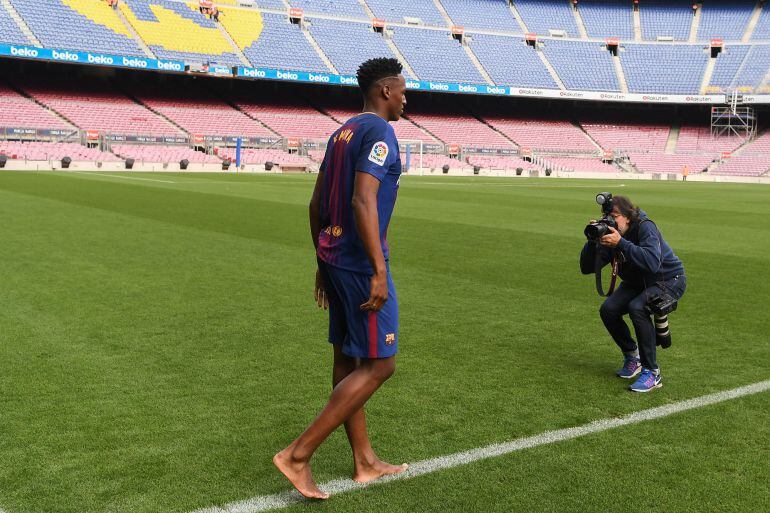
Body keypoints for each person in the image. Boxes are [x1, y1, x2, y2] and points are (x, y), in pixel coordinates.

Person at [273, 57, 408, 499]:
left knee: (347, 360)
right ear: (385, 91)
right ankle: (297, 455)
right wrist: (379, 270)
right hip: (357, 263)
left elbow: (316, 206)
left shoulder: (340, 132)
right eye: (403, 90)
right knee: (380, 364)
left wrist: (320, 261)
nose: (406, 98)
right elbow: (362, 200)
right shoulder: (380, 132)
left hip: (333, 256)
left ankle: (365, 462)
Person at [580, 196, 686, 393]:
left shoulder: (645, 227)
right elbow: (586, 268)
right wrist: (592, 242)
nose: (610, 222)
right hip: (638, 282)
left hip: (668, 279)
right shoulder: (611, 235)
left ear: (628, 217)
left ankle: (652, 373)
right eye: (606, 217)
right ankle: (632, 357)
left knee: (637, 307)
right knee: (609, 310)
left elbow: (652, 263)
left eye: (614, 217)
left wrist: (621, 243)